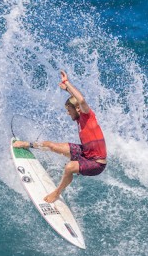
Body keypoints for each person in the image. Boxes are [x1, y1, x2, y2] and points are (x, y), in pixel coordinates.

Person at [13, 71, 107, 203]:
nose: (68, 114)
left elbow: (81, 100)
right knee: (50, 145)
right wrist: (67, 90)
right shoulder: (79, 118)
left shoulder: (88, 116)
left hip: (97, 164)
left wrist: (67, 83)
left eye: (69, 111)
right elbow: (76, 102)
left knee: (69, 167)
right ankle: (26, 144)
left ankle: (56, 193)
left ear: (77, 109)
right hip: (86, 153)